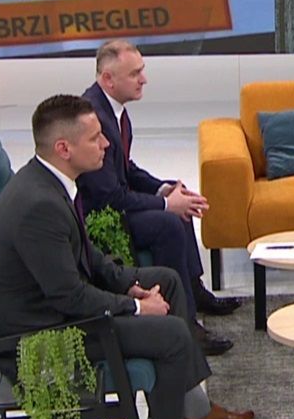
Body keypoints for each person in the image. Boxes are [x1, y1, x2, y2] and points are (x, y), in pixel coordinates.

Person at [0, 94, 253, 419]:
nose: (106, 143)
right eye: (95, 138)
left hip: (55, 310)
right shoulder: (38, 205)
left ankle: (196, 411)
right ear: (64, 148)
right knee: (170, 333)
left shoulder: (49, 182)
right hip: (43, 335)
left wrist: (127, 283)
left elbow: (84, 253)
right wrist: (135, 308)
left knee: (167, 280)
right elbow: (69, 297)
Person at [78, 40, 240, 356]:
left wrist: (162, 189)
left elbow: (126, 168)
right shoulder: (94, 117)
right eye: (135, 74)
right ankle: (184, 323)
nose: (144, 79)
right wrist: (166, 204)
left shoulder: (115, 111)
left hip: (114, 201)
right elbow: (109, 197)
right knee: (168, 222)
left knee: (180, 206)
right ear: (108, 79)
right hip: (100, 217)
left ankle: (194, 291)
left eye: (142, 71)